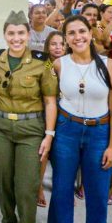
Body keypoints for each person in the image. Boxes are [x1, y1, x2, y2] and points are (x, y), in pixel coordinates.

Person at [47, 15, 112, 223]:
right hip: (67, 130)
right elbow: (49, 100)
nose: (77, 37)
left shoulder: (110, 65)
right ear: (66, 38)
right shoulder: (59, 64)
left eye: (82, 31)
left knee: (98, 191)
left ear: (91, 34)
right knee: (61, 188)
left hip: (98, 132)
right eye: (71, 33)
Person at [0, 10, 57, 223]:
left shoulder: (43, 61)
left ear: (28, 35)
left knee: (26, 186)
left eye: (21, 33)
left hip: (31, 130)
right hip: (2, 127)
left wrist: (49, 134)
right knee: (4, 181)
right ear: (5, 35)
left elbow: (50, 101)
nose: (16, 38)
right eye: (11, 33)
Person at [37, 31, 65, 207]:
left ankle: (61, 190)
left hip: (66, 114)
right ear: (47, 46)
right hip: (46, 112)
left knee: (62, 155)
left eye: (61, 44)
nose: (58, 47)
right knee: (43, 153)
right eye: (54, 44)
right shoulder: (42, 66)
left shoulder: (70, 64)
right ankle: (38, 187)